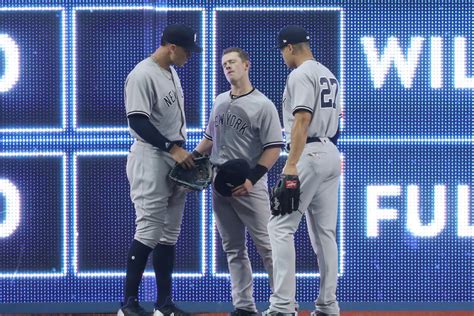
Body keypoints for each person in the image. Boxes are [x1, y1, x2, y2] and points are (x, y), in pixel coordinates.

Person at [194, 47, 284, 316]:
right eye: (224, 64)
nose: (228, 67)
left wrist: (252, 179)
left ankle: (283, 305)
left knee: (268, 248)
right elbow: (210, 140)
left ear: (247, 65)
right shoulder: (220, 100)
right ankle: (244, 306)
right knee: (232, 248)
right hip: (219, 183)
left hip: (250, 186)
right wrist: (191, 159)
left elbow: (274, 147)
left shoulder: (263, 105)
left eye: (232, 62)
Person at [119, 24, 202, 316]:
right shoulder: (142, 74)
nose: (189, 56)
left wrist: (180, 151)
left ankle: (163, 305)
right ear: (171, 48)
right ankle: (128, 304)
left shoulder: (171, 71)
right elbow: (138, 121)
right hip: (151, 156)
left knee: (169, 234)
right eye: (187, 51)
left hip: (173, 155)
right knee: (149, 229)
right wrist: (172, 148)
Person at [264, 26, 342, 316]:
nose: (283, 57)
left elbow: (301, 120)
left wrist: (291, 165)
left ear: (289, 48)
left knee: (279, 227)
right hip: (330, 152)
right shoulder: (329, 74)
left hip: (308, 153)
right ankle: (328, 305)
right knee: (325, 234)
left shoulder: (299, 74)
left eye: (282, 52)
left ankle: (282, 306)